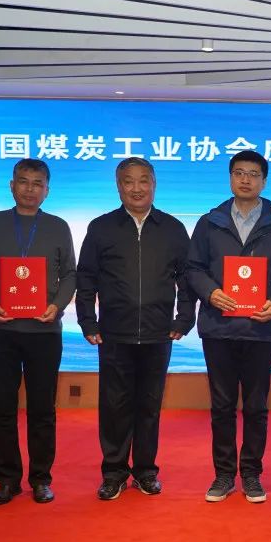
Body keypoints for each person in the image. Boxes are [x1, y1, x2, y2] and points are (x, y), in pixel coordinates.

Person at [76, 156, 195, 500]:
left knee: (149, 405)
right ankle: (113, 472)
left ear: (154, 184)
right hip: (114, 332)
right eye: (129, 181)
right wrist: (87, 320)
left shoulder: (173, 228)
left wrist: (184, 318)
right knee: (114, 406)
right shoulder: (101, 227)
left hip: (159, 333)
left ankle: (145, 471)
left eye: (144, 180)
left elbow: (186, 279)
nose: (137, 188)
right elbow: (86, 277)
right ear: (119, 186)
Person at [0, 158, 76, 506]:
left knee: (43, 409)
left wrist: (57, 305)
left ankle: (41, 479)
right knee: (2, 408)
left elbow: (71, 274)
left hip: (44, 331)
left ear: (47, 190)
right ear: (11, 186)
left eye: (37, 183)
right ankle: (7, 481)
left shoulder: (58, 226)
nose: (30, 189)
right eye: (23, 182)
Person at [186, 150, 271, 504]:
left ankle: (251, 473)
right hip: (219, 328)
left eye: (253, 174)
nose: (246, 180)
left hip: (260, 330)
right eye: (239, 173)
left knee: (257, 406)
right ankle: (223, 474)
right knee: (221, 406)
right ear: (230, 178)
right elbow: (193, 268)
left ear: (264, 181)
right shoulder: (209, 223)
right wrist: (211, 293)